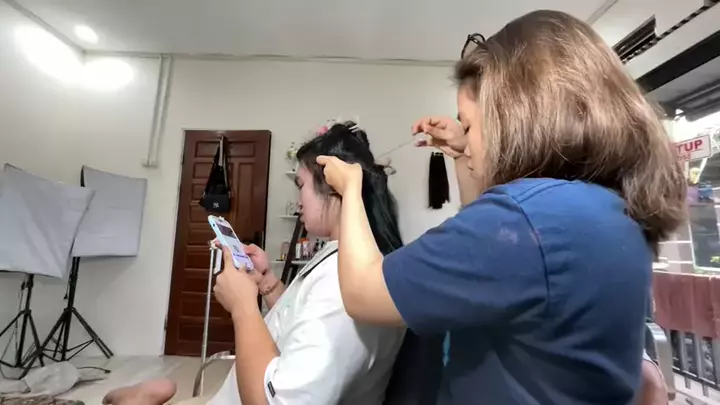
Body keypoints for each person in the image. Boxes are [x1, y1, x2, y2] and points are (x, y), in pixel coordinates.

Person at [316, 10, 686, 405]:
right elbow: (491, 251)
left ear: (512, 117)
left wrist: (351, 189)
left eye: (470, 126)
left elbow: (363, 292)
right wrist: (463, 153)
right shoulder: (601, 209)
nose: (468, 140)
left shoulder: (529, 220)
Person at [103, 121, 405, 405]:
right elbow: (300, 320)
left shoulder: (341, 282)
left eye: (301, 184)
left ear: (332, 188)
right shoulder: (347, 261)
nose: (299, 201)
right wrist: (266, 282)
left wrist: (242, 306)